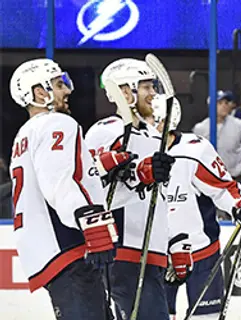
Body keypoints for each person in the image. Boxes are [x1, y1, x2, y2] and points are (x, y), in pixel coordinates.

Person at [9, 58, 117, 319]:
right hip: (67, 245)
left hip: (44, 249)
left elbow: (55, 173)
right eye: (60, 84)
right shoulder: (56, 123)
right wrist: (88, 220)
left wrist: (101, 166)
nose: (68, 90)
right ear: (39, 92)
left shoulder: (23, 135)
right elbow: (57, 182)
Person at [149, 95, 241, 319]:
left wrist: (239, 205)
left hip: (200, 253)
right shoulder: (138, 152)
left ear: (168, 122)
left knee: (206, 317)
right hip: (156, 256)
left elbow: (222, 187)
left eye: (155, 120)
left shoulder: (194, 150)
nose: (151, 127)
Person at [85, 58, 176, 320]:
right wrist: (135, 172)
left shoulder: (151, 134)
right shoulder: (107, 130)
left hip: (150, 251)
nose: (153, 94)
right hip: (124, 250)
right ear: (125, 92)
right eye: (146, 87)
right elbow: (93, 183)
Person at [193, 91, 241, 189]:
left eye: (226, 103)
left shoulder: (239, 125)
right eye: (220, 103)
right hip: (208, 183)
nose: (224, 106)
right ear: (211, 106)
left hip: (234, 180)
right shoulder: (200, 128)